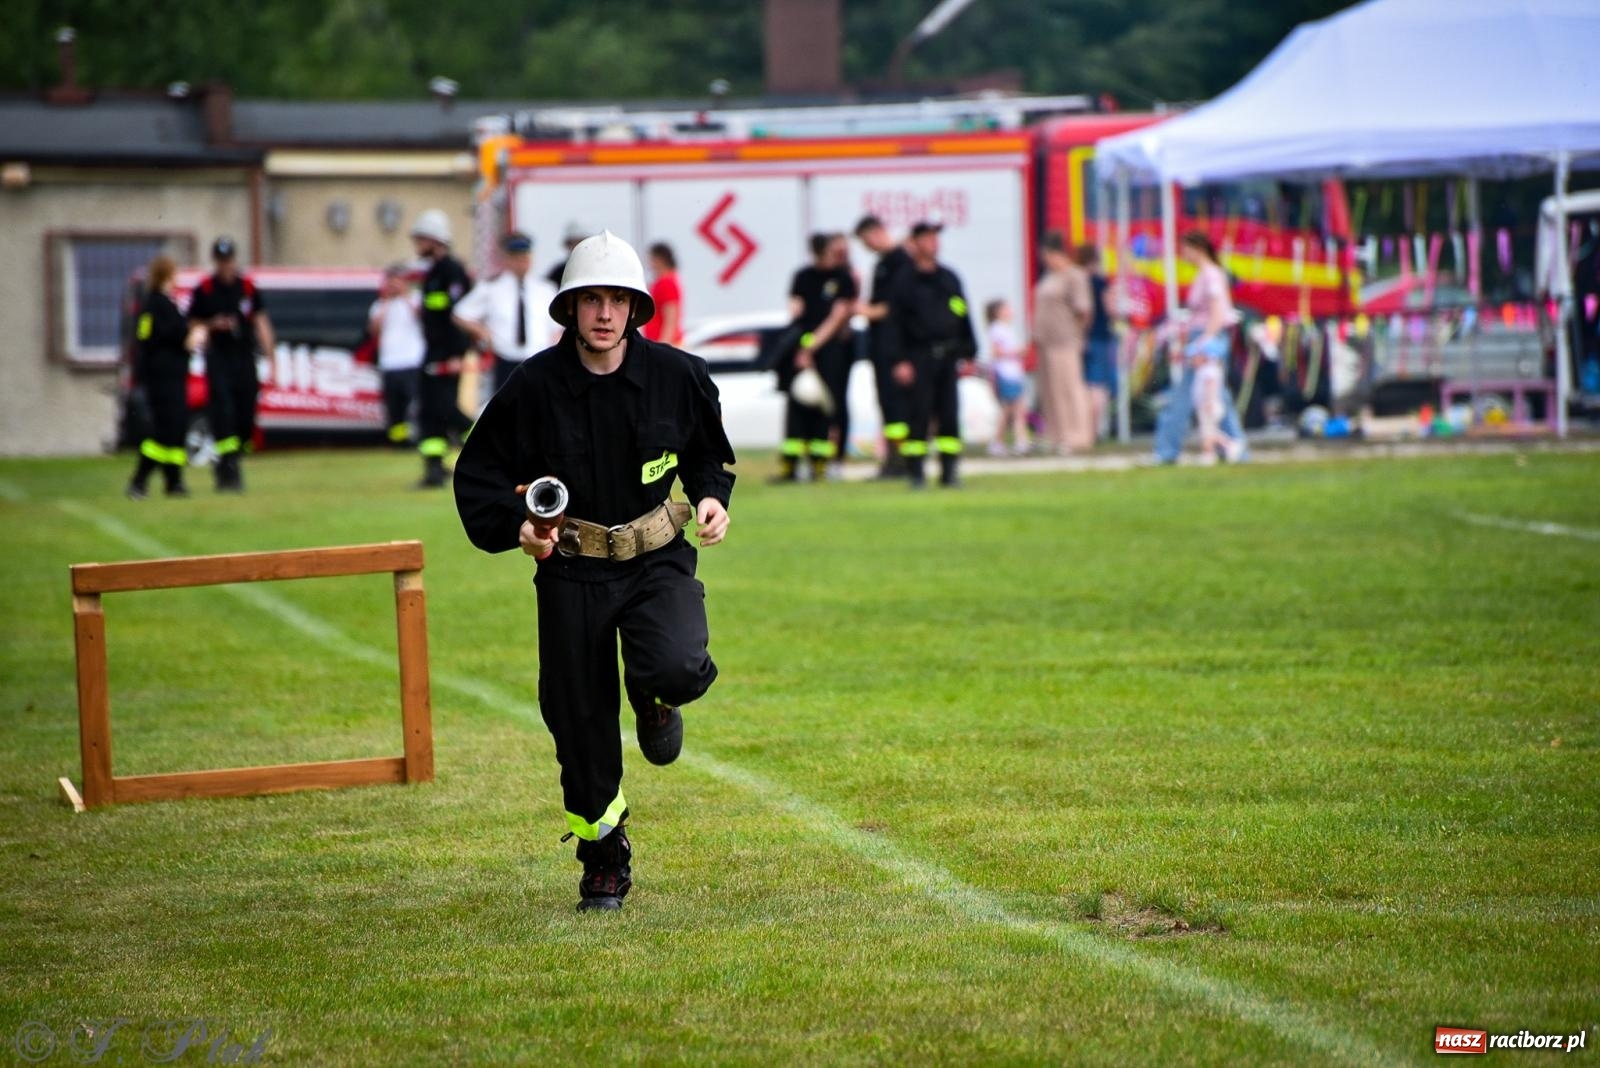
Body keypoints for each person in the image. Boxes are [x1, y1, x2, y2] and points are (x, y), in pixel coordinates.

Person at [453, 231, 735, 914]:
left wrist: (710, 498)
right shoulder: (534, 387)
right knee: (576, 721)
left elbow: (710, 453)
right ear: (570, 309)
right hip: (573, 568)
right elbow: (479, 476)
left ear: (636, 309)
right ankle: (604, 854)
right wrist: (517, 527)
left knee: (672, 662)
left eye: (617, 300)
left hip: (657, 557)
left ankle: (655, 697)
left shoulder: (679, 375)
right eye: (590, 301)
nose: (604, 314)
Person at [882, 221, 976, 489]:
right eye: (928, 238)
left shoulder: (948, 278)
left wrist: (968, 349)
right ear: (915, 243)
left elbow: (962, 312)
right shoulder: (904, 281)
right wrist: (899, 360)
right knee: (918, 415)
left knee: (949, 414)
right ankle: (916, 473)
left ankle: (949, 472)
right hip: (917, 356)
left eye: (936, 238)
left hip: (947, 356)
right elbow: (894, 325)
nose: (934, 243)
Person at [1151, 232, 1249, 465]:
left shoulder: (1211, 275)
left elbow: (1217, 310)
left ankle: (1167, 449)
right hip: (1205, 336)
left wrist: (1205, 341)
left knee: (1185, 394)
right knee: (1216, 396)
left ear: (1198, 248)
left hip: (1206, 338)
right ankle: (1236, 446)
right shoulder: (1207, 274)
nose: (1183, 254)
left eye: (1185, 248)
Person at [187, 237, 274, 492]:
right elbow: (192, 323)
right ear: (216, 261)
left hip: (244, 358)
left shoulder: (247, 288)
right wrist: (213, 324)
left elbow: (261, 323)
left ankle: (233, 459)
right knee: (223, 411)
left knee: (246, 414)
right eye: (221, 261)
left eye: (229, 260)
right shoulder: (204, 290)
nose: (226, 266)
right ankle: (227, 466)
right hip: (219, 359)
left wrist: (272, 358)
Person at [778, 232, 858, 481]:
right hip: (804, 347)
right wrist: (803, 348)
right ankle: (791, 466)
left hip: (829, 349)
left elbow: (837, 318)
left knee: (825, 406)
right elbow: (796, 311)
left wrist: (809, 348)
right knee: (798, 404)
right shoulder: (803, 276)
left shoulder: (844, 278)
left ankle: (820, 464)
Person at [410, 208, 475, 488]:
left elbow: (462, 315)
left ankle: (480, 435)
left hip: (447, 356)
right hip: (432, 353)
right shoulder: (433, 273)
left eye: (420, 239)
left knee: (446, 409)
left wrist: (458, 355)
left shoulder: (452, 271)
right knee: (430, 412)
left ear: (434, 239)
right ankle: (434, 471)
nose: (416, 245)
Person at [453, 231, 559, 396]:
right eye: (516, 257)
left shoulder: (545, 289)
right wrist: (481, 332)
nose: (522, 261)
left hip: (538, 360)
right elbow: (460, 313)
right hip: (504, 360)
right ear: (507, 258)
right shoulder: (491, 288)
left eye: (525, 256)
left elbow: (557, 328)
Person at [125, 255, 191, 499]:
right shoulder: (155, 305)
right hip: (162, 379)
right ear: (167, 275)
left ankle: (174, 482)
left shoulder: (164, 303)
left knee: (177, 428)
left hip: (172, 376)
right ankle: (139, 481)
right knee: (165, 431)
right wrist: (187, 340)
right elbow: (150, 338)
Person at [855, 215, 914, 477]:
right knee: (888, 406)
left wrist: (859, 310)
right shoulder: (884, 263)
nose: (867, 247)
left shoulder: (901, 262)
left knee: (898, 406)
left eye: (866, 240)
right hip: (881, 345)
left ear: (877, 232)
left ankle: (902, 460)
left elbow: (891, 307)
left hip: (895, 346)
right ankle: (893, 458)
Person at [1032, 232, 1093, 455]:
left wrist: (1076, 333)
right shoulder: (1050, 277)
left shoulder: (1073, 276)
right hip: (1046, 342)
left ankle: (1076, 435)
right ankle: (1056, 434)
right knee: (1051, 391)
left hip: (1065, 341)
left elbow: (1083, 310)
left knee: (1069, 387)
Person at [368, 264, 425, 447]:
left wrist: (405, 296)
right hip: (389, 363)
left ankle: (418, 436)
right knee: (394, 406)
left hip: (412, 361)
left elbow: (421, 317)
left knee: (415, 403)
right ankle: (398, 441)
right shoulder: (380, 305)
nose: (393, 286)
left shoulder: (415, 299)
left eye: (397, 282)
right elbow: (374, 329)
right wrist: (386, 301)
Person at [1076, 243, 1118, 441]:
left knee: (1084, 385)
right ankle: (1093, 431)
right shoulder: (1100, 282)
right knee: (1098, 386)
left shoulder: (1076, 281)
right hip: (1100, 336)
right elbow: (1111, 309)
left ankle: (1083, 428)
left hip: (1080, 338)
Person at [983, 298, 1030, 456]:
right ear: (998, 312)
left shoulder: (1007, 328)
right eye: (1006, 308)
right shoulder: (997, 329)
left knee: (1017, 409)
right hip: (1006, 373)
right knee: (1009, 409)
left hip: (1014, 373)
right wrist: (1017, 352)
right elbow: (996, 352)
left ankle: (1020, 440)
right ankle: (1000, 441)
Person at [642, 243, 684, 347]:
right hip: (657, 344)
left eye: (652, 259)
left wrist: (663, 347)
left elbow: (671, 319)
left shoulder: (667, 283)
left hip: (665, 344)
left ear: (660, 259)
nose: (650, 264)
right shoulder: (661, 282)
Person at [545, 220, 592, 288]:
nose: (579, 247)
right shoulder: (557, 274)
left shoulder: (602, 270)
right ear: (567, 245)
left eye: (582, 242)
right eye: (575, 243)